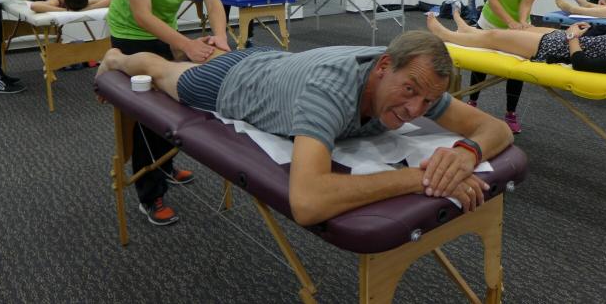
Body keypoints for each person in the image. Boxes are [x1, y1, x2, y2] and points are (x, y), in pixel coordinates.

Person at [96, 30, 513, 225]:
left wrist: (466, 153)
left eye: (426, 101)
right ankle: (116, 58)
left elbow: (496, 129)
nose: (414, 110)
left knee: (201, 63)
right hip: (230, 82)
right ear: (383, 66)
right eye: (410, 92)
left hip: (277, 64)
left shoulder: (417, 80)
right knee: (164, 73)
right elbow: (308, 202)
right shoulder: (330, 91)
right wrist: (425, 178)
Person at [106, 0, 230, 225]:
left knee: (175, 102)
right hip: (130, 34)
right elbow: (142, 15)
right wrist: (186, 45)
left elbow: (213, 2)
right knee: (149, 113)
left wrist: (220, 37)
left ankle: (165, 165)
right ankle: (150, 195)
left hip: (166, 32)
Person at [427, 11, 606, 76]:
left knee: (494, 38)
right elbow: (605, 35)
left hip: (553, 50)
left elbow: (583, 65)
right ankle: (466, 30)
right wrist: (586, 28)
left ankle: (447, 37)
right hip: (564, 39)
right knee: (500, 33)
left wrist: (572, 37)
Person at [467, 0, 551, 134]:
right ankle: (472, 103)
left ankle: (510, 113)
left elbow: (526, 3)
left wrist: (521, 22)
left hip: (517, 26)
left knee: (516, 71)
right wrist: (510, 22)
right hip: (491, 22)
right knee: (479, 66)